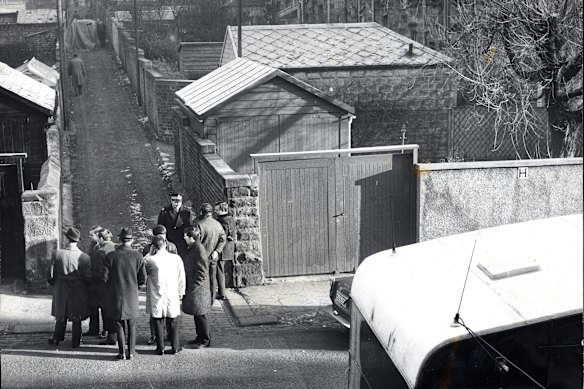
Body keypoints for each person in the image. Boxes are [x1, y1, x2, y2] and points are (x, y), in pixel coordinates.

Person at [102, 227, 146, 360]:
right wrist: (135, 286)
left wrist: (111, 287)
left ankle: (121, 352)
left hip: (116, 294)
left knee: (118, 323)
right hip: (131, 294)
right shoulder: (138, 256)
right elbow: (143, 278)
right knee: (131, 324)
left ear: (119, 240)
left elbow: (104, 277)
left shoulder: (110, 256)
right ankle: (131, 351)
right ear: (131, 240)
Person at [47, 227, 91, 348]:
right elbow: (88, 277)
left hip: (60, 288)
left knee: (61, 314)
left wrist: (55, 284)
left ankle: (57, 338)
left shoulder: (57, 253)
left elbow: (50, 274)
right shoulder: (85, 257)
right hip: (78, 288)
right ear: (78, 241)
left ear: (67, 239)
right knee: (77, 315)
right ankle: (76, 341)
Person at [145, 235, 186, 355]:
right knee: (173, 319)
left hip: (157, 292)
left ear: (153, 246)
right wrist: (181, 292)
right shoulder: (176, 258)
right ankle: (175, 346)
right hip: (172, 291)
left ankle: (160, 347)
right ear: (165, 244)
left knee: (158, 319)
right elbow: (181, 277)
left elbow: (141, 265)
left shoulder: (150, 260)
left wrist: (150, 253)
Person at [142, 224, 177, 345]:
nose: (162, 238)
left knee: (169, 310)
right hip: (155, 283)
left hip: (168, 283)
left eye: (164, 235)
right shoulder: (148, 248)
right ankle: (154, 335)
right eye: (160, 236)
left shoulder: (171, 247)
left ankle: (169, 334)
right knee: (154, 312)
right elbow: (144, 267)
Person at [181, 226, 212, 349]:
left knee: (200, 315)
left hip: (198, 290)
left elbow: (202, 272)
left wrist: (193, 286)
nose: (184, 238)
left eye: (185, 236)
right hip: (196, 289)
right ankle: (199, 337)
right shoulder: (193, 247)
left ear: (192, 238)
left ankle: (205, 339)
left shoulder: (199, 249)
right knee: (197, 314)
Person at [195, 203, 226, 301]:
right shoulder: (217, 224)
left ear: (202, 212)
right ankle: (212, 299)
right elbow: (223, 239)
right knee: (213, 278)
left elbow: (196, 241)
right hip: (213, 256)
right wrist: (217, 251)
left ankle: (203, 299)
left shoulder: (199, 224)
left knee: (202, 278)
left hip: (202, 256)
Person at [92, 228, 117, 345]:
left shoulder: (99, 252)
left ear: (101, 238)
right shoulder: (117, 247)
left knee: (106, 311)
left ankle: (110, 335)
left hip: (104, 286)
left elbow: (97, 272)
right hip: (117, 284)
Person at [213, 201, 236, 300]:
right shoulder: (230, 218)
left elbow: (222, 237)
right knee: (222, 270)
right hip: (229, 249)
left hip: (223, 250)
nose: (215, 211)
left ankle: (222, 293)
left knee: (219, 271)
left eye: (217, 210)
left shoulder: (223, 221)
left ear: (223, 210)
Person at [85, 225, 104, 337]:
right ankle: (93, 329)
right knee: (93, 307)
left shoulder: (100, 248)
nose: (89, 236)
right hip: (93, 282)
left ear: (98, 235)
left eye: (91, 235)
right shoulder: (92, 246)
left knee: (104, 308)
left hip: (99, 281)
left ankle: (105, 330)